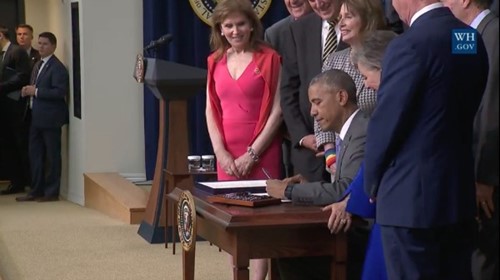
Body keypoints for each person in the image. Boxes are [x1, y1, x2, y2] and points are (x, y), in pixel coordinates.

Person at [363, 1, 489, 279]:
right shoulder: (467, 37)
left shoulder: (407, 45)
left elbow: (388, 122)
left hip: (409, 203)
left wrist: (371, 181)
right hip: (457, 196)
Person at [267, 69, 369, 280]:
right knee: (285, 246)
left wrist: (288, 190)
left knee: (289, 253)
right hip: (350, 227)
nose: (312, 111)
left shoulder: (362, 130)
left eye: (317, 102)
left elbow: (344, 189)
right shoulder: (351, 130)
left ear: (341, 97)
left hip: (365, 232)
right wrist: (307, 184)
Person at [205, 0, 283, 279]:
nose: (235, 30)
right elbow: (210, 110)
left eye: (240, 24)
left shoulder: (270, 58)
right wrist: (220, 153)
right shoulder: (214, 61)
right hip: (226, 153)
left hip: (262, 150)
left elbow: (278, 109)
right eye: (228, 25)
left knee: (260, 223)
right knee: (232, 220)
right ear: (220, 29)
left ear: (252, 25)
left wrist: (253, 153)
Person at [323, 30, 398, 280]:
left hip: (398, 213)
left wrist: (349, 202)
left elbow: (378, 162)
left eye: (366, 76)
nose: (365, 84)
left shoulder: (392, 106)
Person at [441, 1, 499, 279]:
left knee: (484, 257)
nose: (440, 3)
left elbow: (491, 109)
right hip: (463, 165)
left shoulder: (494, 32)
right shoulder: (464, 35)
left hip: (486, 174)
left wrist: (483, 177)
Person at [316, 0, 385, 176]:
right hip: (342, 161)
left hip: (379, 156)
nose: (342, 23)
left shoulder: (387, 54)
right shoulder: (333, 60)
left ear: (367, 19)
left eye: (349, 16)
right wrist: (331, 155)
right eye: (340, 18)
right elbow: (321, 107)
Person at [280, 0, 346, 183]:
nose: (319, 3)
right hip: (309, 155)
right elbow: (288, 92)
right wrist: (302, 137)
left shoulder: (359, 27)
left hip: (349, 153)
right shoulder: (298, 30)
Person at [16, 32, 69, 202]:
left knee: (52, 156)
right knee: (35, 155)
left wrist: (36, 91)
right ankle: (36, 190)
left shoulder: (58, 67)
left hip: (50, 118)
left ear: (53, 46)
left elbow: (60, 92)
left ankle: (51, 192)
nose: (41, 47)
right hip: (35, 117)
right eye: (39, 43)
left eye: (45, 44)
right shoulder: (38, 65)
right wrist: (28, 90)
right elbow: (35, 87)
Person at [264, 0, 313, 179]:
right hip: (297, 139)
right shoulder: (276, 34)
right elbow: (280, 92)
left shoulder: (340, 25)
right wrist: (299, 134)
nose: (293, 1)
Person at [0, 25, 31, 195]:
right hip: (4, 108)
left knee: (19, 144)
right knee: (7, 145)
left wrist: (1, 86)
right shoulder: (3, 54)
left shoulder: (16, 52)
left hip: (14, 107)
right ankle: (15, 180)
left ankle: (25, 181)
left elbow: (22, 76)